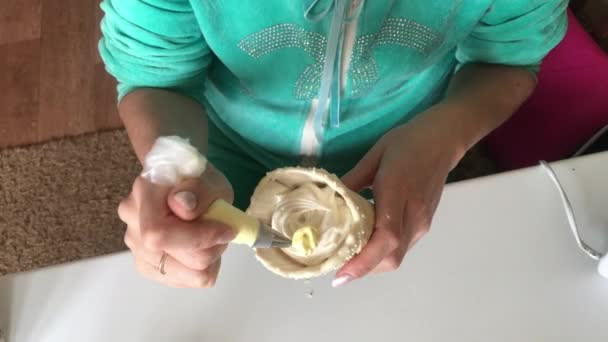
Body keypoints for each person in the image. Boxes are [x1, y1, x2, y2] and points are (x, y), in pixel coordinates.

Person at [100, 0, 568, 288]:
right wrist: (173, 167)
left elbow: (507, 59)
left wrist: (443, 136)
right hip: (223, 158)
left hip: (405, 157)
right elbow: (158, 79)